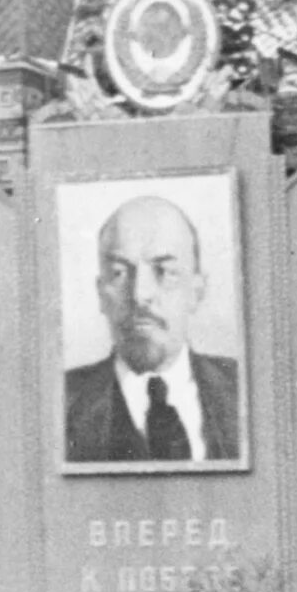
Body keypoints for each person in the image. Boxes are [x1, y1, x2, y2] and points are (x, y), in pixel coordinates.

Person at [64, 195, 244, 465]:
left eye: (165, 271)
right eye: (119, 273)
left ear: (197, 290)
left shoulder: (243, 389)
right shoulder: (63, 401)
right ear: (101, 293)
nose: (140, 294)